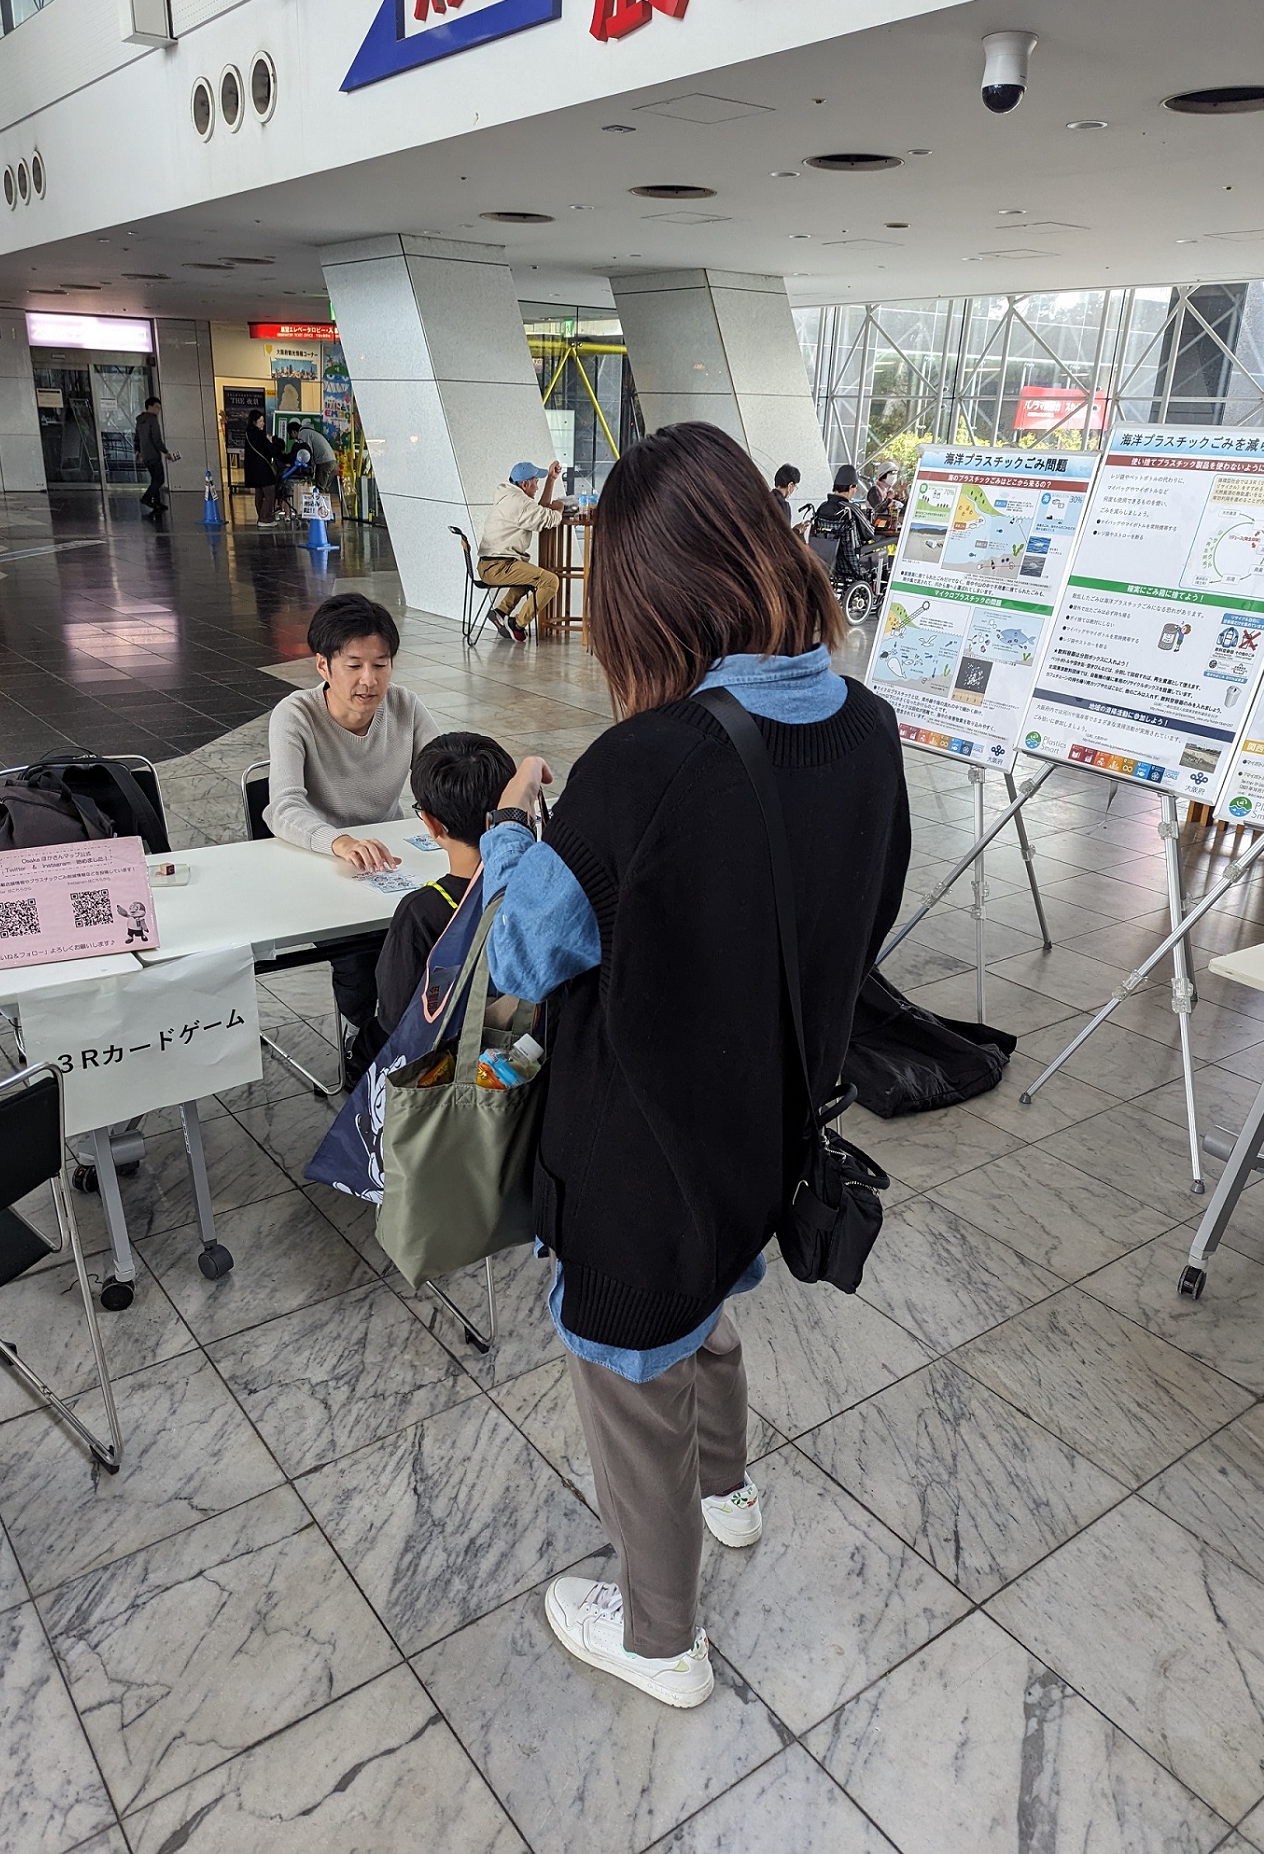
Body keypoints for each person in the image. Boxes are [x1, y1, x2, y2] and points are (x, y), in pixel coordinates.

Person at [478, 421, 910, 1708]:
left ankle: (660, 1637)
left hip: (638, 1147)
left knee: (626, 1366)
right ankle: (729, 1488)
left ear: (651, 596)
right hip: (763, 1124)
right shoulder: (870, 726)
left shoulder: (645, 764)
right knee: (706, 1301)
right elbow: (858, 912)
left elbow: (521, 952)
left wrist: (509, 827)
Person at [265, 594, 439, 1067]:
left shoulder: (405, 706)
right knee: (365, 960)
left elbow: (441, 775)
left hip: (390, 858)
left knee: (433, 931)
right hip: (321, 862)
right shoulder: (296, 716)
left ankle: (417, 1038)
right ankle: (368, 1043)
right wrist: (338, 841)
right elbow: (282, 807)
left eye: (381, 665)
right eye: (354, 665)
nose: (370, 680)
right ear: (323, 665)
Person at [373, 731, 516, 1036]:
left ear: (432, 823)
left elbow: (396, 1021)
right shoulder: (542, 889)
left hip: (451, 1072)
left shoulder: (421, 912)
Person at [476, 460, 564, 643]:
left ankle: (500, 612)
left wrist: (551, 480)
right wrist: (559, 511)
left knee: (530, 575)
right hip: (498, 567)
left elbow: (538, 510)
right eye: (536, 482)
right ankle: (518, 623)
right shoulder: (520, 503)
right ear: (525, 484)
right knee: (550, 581)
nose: (537, 487)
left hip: (491, 564)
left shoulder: (512, 498)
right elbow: (547, 519)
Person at [135, 398, 177, 515]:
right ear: (150, 406)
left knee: (155, 478)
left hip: (146, 455)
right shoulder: (152, 420)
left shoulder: (140, 420)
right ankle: (147, 498)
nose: (159, 410)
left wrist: (139, 451)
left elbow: (137, 438)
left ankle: (157, 502)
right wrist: (165, 451)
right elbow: (156, 439)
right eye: (157, 407)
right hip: (153, 453)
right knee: (159, 479)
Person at [242, 408, 279, 528]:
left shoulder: (248, 434)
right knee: (270, 492)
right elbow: (271, 450)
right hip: (263, 469)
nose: (263, 423)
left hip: (253, 470)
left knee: (259, 493)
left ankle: (261, 516)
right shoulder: (260, 435)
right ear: (254, 422)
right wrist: (270, 441)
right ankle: (265, 518)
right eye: (261, 421)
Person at [287, 420, 338, 496]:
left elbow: (307, 452)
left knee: (320, 491)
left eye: (293, 436)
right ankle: (326, 507)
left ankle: (321, 507)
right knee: (325, 490)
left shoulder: (303, 434)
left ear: (294, 432)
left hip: (324, 462)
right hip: (332, 462)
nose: (296, 440)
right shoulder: (309, 431)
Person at [771, 463, 809, 538]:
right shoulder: (783, 505)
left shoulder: (764, 498)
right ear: (790, 485)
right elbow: (784, 537)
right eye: (795, 486)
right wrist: (797, 530)